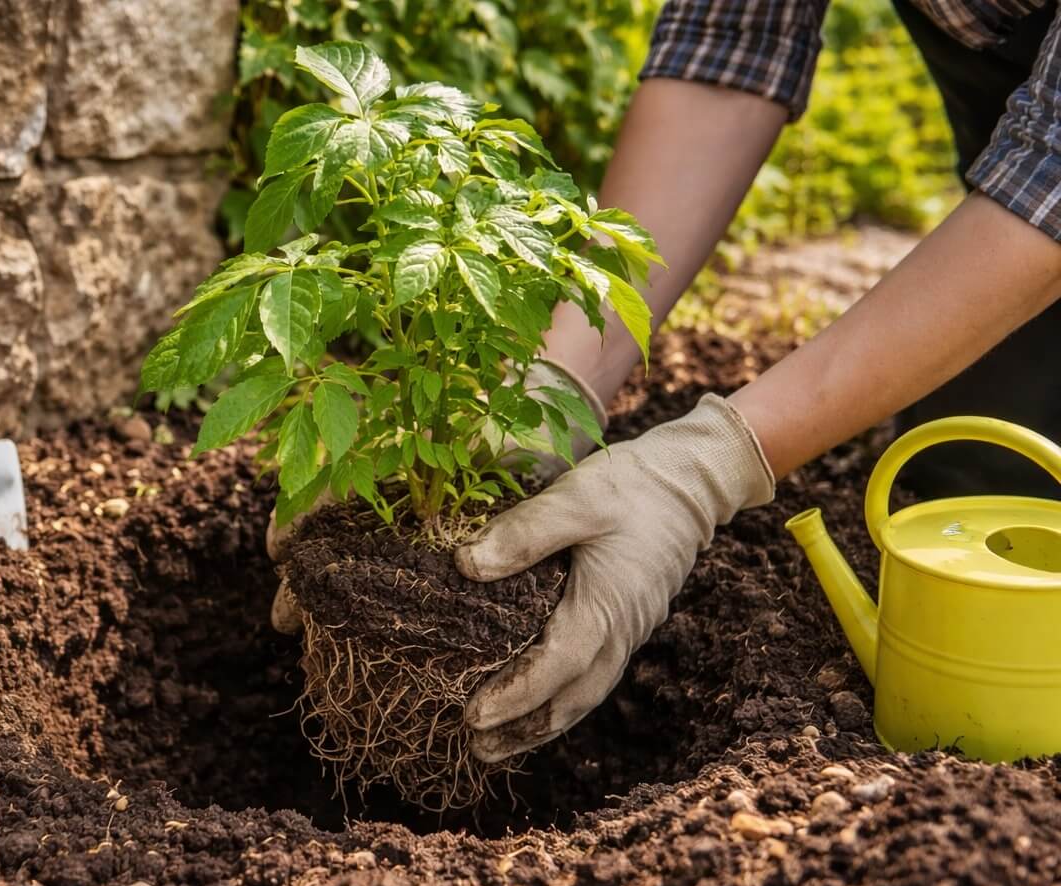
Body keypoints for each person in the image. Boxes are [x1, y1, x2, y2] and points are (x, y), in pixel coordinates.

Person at [276, 1, 1061, 764]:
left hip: (1042, 177)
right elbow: (726, 43)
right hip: (1014, 156)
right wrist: (560, 383)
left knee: (1018, 509)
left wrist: (706, 466)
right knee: (969, 482)